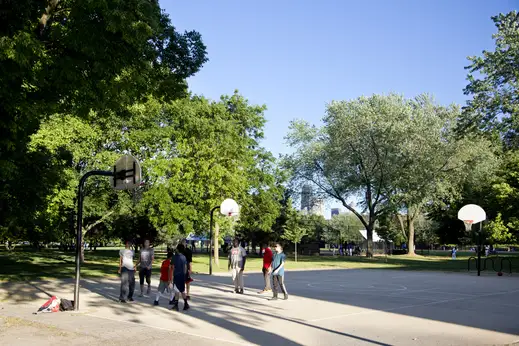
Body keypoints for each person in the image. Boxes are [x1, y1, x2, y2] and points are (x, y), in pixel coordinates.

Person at [170, 243, 190, 311]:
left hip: (177, 275)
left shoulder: (175, 257)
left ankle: (176, 306)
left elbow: (171, 267)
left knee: (176, 291)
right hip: (182, 276)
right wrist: (185, 275)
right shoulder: (184, 257)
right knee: (182, 290)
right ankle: (186, 304)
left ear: (177, 249)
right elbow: (185, 267)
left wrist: (171, 277)